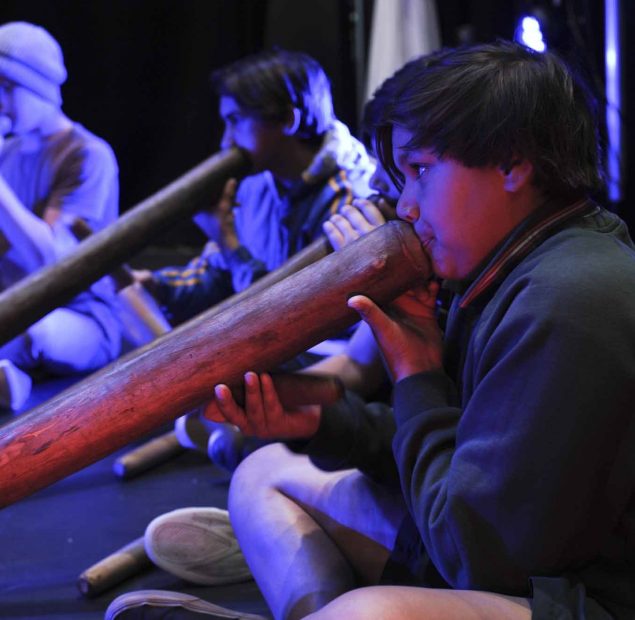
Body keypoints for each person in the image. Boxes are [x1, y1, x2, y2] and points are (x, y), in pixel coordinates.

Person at [109, 41, 635, 620]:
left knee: (372, 613)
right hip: (498, 550)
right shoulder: (504, 266)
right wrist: (324, 422)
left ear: (511, 163)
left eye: (421, 171)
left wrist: (415, 373)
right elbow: (468, 466)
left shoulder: (568, 298)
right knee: (264, 473)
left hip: (588, 597)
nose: (406, 205)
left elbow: (481, 558)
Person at [136, 48, 374, 456]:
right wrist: (150, 286)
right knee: (149, 318)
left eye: (235, 121)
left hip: (328, 363)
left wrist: (228, 241)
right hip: (272, 345)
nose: (226, 141)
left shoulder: (354, 200)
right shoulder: (258, 185)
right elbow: (215, 276)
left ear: (288, 119)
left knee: (229, 428)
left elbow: (295, 316)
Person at [0, 21, 121, 411]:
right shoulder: (9, 153)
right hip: (12, 307)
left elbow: (49, 261)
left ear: (39, 86)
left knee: (35, 332)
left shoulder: (88, 155)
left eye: (6, 86)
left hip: (78, 318)